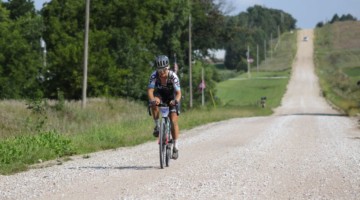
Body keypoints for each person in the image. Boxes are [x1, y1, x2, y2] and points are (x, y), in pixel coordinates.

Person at [148, 55, 181, 159]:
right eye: (159, 70)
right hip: (160, 95)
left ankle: (175, 147)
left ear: (168, 67)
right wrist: (152, 99)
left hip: (172, 97)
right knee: (154, 102)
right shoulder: (154, 75)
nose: (161, 72)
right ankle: (157, 125)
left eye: (164, 69)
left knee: (173, 121)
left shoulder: (173, 76)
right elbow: (150, 91)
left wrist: (175, 101)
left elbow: (179, 93)